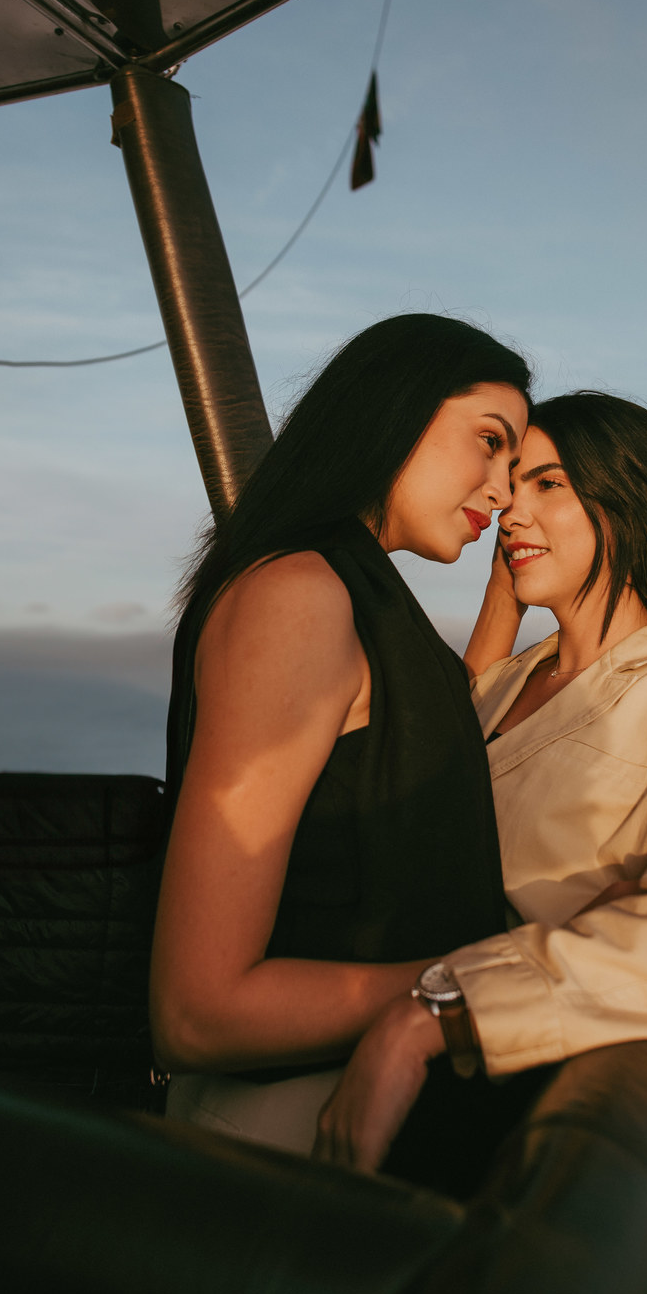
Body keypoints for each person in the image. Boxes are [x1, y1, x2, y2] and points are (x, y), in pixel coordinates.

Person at [314, 390, 647, 1173]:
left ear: (630, 505)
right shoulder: (517, 680)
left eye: (547, 484)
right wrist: (517, 571)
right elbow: (449, 748)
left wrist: (436, 1013)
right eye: (507, 483)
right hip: (345, 1030)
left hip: (468, 1100)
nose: (508, 508)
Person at [149, 313, 532, 1168]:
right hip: (284, 1149)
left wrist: (510, 590)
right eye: (488, 442)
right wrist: (489, 975)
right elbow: (197, 1008)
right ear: (395, 410)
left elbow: (417, 736)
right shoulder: (300, 595)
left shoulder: (349, 589)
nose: (503, 489)